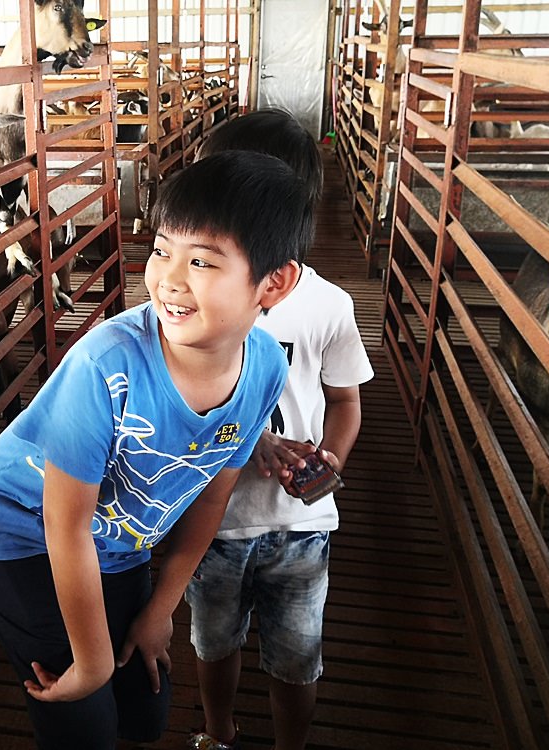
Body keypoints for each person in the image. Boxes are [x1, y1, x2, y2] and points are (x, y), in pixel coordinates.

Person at [0, 151, 315, 750]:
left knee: (146, 713)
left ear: (273, 283)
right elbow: (62, 523)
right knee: (84, 716)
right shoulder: (108, 365)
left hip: (120, 542)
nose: (169, 279)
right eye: (161, 250)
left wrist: (161, 608)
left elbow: (211, 498)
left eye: (201, 261)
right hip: (23, 532)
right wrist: (92, 663)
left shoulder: (264, 370)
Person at [186, 110, 374, 750]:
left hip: (300, 524)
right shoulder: (189, 304)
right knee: (213, 643)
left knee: (298, 657)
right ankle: (219, 732)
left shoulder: (328, 306)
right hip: (210, 519)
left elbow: (345, 403)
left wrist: (331, 462)